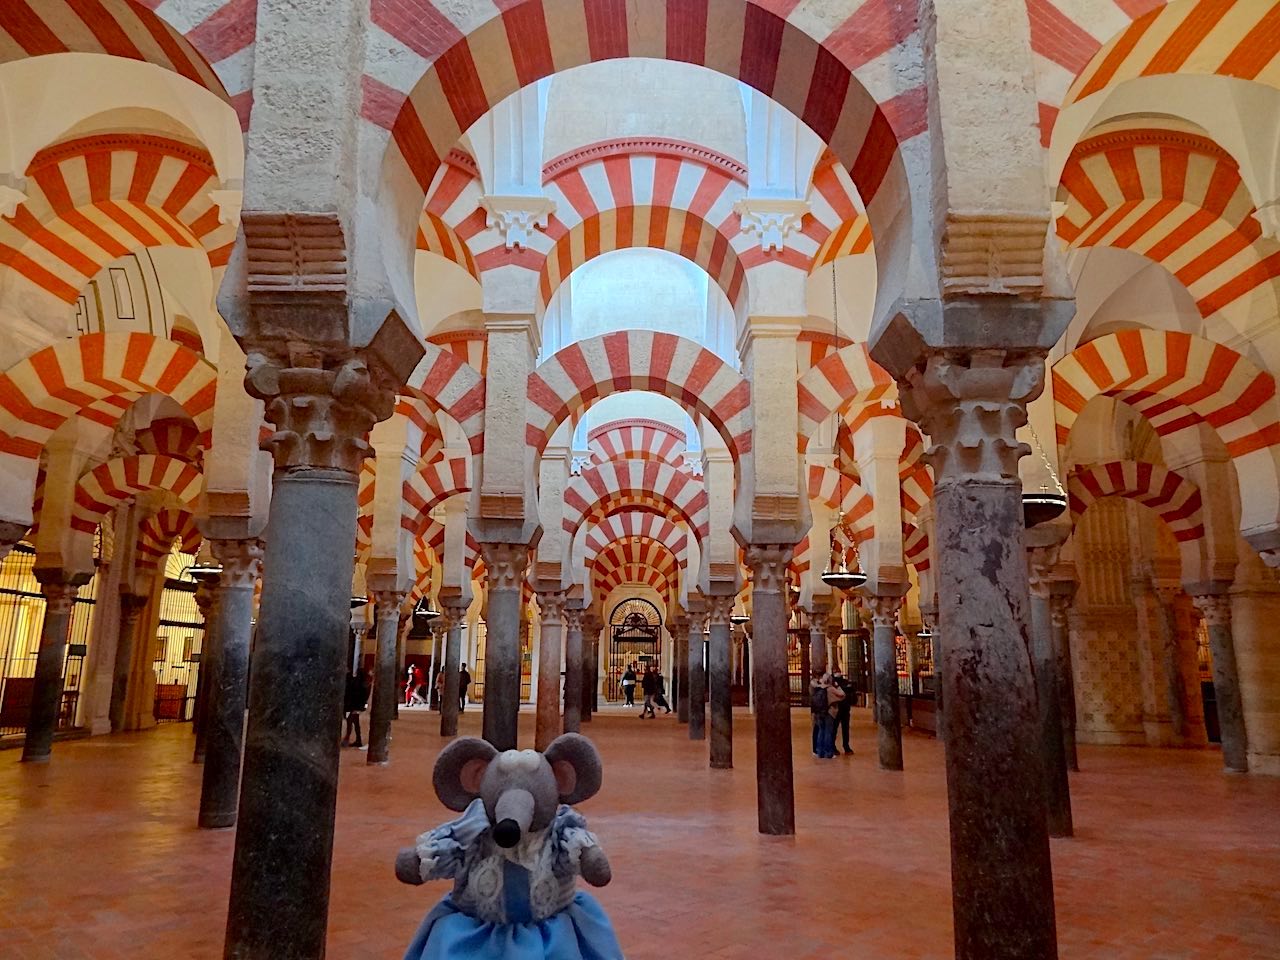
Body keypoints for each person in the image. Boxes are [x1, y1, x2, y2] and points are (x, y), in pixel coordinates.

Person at [809, 671, 835, 759]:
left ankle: (819, 751)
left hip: (817, 711)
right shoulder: (828, 688)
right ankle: (828, 752)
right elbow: (842, 694)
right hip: (826, 711)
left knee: (819, 731)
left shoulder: (815, 688)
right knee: (827, 731)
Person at [343, 669, 370, 749]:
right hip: (356, 706)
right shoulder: (362, 684)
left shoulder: (353, 683)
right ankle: (357, 739)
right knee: (355, 721)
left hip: (351, 705)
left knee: (350, 721)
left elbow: (349, 694)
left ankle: (347, 738)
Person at [831, 668, 856, 755]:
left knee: (844, 729)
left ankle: (846, 746)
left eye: (837, 672)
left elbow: (850, 690)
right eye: (835, 672)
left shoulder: (844, 681)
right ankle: (834, 746)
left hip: (844, 708)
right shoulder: (832, 682)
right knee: (834, 728)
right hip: (837, 708)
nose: (837, 673)